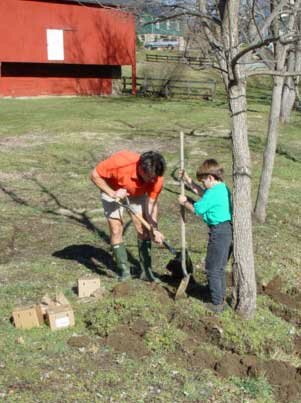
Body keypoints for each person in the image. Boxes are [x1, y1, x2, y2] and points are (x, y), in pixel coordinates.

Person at [90, 150, 166, 282]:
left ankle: (146, 272)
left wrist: (154, 228)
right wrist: (112, 193)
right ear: (141, 169)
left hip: (137, 193)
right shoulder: (119, 163)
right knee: (116, 229)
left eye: (155, 177)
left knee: (144, 230)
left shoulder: (156, 178)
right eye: (151, 177)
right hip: (112, 190)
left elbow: (152, 203)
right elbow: (94, 175)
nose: (153, 180)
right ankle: (124, 271)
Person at [178, 159, 232, 313]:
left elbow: (197, 210)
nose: (202, 185)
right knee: (219, 268)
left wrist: (185, 202)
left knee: (212, 268)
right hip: (226, 231)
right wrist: (189, 181)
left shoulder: (214, 192)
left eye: (203, 181)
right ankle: (220, 298)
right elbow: (204, 193)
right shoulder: (222, 188)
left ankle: (216, 303)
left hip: (219, 232)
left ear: (210, 177)